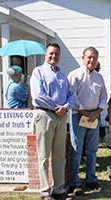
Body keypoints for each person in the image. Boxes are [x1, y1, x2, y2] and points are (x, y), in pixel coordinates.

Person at [30, 43, 74, 200]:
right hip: (45, 116)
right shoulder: (38, 72)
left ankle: (58, 189)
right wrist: (58, 108)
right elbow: (38, 95)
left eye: (56, 54)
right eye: (51, 54)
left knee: (59, 155)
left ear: (59, 56)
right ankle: (44, 191)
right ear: (45, 55)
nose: (53, 56)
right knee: (43, 155)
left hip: (61, 118)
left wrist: (66, 107)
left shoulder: (62, 76)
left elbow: (71, 95)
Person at [67, 47, 107, 195]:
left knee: (92, 150)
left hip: (94, 117)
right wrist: (84, 112)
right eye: (89, 57)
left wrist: (97, 112)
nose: (91, 60)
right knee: (77, 150)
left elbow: (104, 97)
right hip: (79, 116)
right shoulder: (74, 75)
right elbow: (72, 97)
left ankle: (91, 179)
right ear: (83, 58)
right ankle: (75, 183)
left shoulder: (99, 78)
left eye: (94, 58)